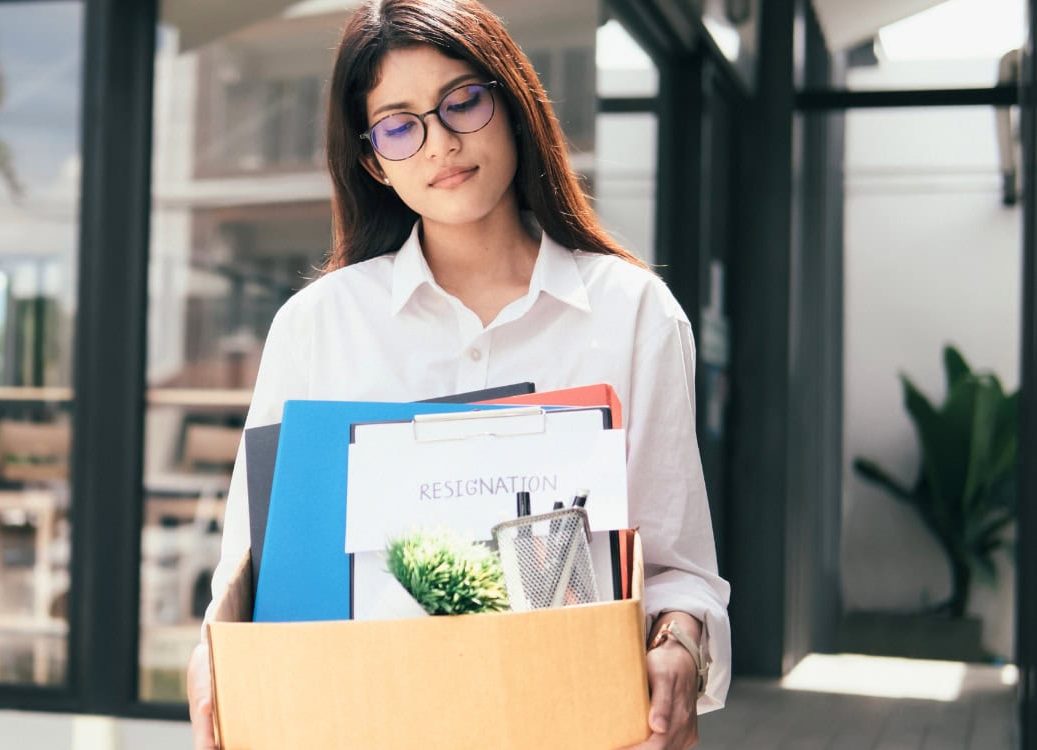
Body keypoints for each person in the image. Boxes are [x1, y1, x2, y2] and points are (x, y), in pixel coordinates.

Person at [187, 1, 730, 747]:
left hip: (572, 723)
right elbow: (251, 570)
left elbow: (677, 568)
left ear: (512, 105)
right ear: (373, 160)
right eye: (399, 125)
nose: (441, 142)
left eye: (462, 101)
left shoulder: (633, 312)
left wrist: (680, 644)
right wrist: (215, 656)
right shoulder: (317, 325)